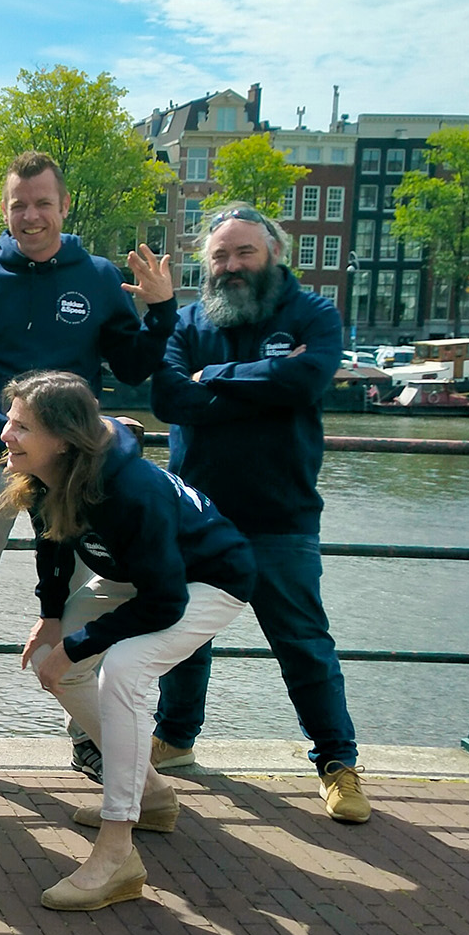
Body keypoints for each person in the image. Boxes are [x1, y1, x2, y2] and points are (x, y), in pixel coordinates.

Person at [0, 150, 177, 783]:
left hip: (74, 470)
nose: (30, 217)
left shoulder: (97, 277)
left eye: (42, 203)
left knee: (96, 598)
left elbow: (136, 367)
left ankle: (86, 732)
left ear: (62, 207)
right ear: (5, 213)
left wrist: (163, 309)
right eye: (18, 205)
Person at [142, 202, 371, 823]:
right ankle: (177, 738)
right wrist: (264, 379)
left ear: (273, 253)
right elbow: (166, 396)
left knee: (302, 642)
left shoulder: (314, 313)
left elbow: (307, 381)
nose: (232, 265)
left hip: (282, 514)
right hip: (200, 514)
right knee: (183, 638)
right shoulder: (190, 320)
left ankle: (338, 764)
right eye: (220, 256)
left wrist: (212, 377)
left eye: (244, 252)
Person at [3, 371, 253, 910]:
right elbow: (51, 542)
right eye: (10, 420)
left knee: (123, 671)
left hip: (206, 579)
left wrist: (81, 642)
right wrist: (52, 621)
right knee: (54, 661)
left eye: (21, 426)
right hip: (137, 575)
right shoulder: (45, 472)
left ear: (64, 439)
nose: (6, 434)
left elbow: (165, 602)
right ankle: (154, 795)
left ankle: (117, 852)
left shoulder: (130, 491)